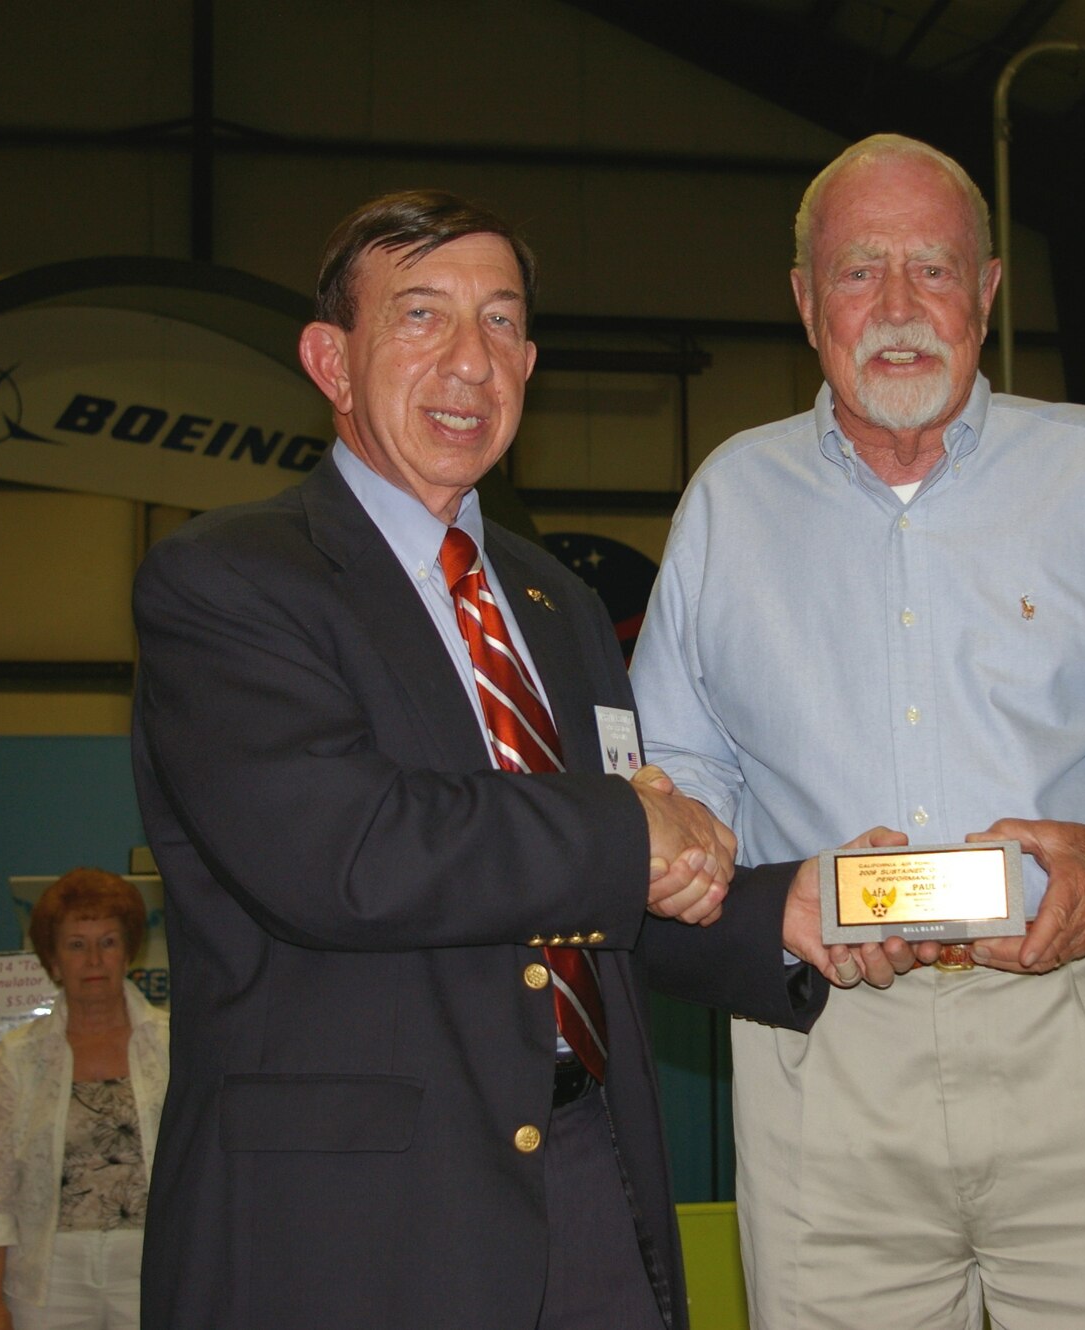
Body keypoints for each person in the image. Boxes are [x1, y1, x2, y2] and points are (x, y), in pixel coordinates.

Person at [130, 189, 887, 1330]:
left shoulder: (559, 604)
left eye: (498, 323)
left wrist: (778, 912)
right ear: (330, 360)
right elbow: (350, 852)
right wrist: (637, 831)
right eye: (422, 316)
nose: (468, 360)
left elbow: (596, 890)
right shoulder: (229, 582)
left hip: (587, 1175)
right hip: (344, 1222)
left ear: (530, 362)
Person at [628, 134, 1085, 1329]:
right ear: (801, 300)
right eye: (857, 272)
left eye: (933, 269)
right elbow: (679, 774)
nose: (896, 308)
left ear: (987, 291)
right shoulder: (728, 505)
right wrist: (762, 895)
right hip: (827, 1055)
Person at [0, 868, 168, 1330]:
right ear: (52, 961)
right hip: (47, 1279)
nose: (94, 959)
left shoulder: (175, 1046)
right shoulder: (18, 1057)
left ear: (129, 952)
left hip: (153, 1268)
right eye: (76, 944)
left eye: (108, 942)